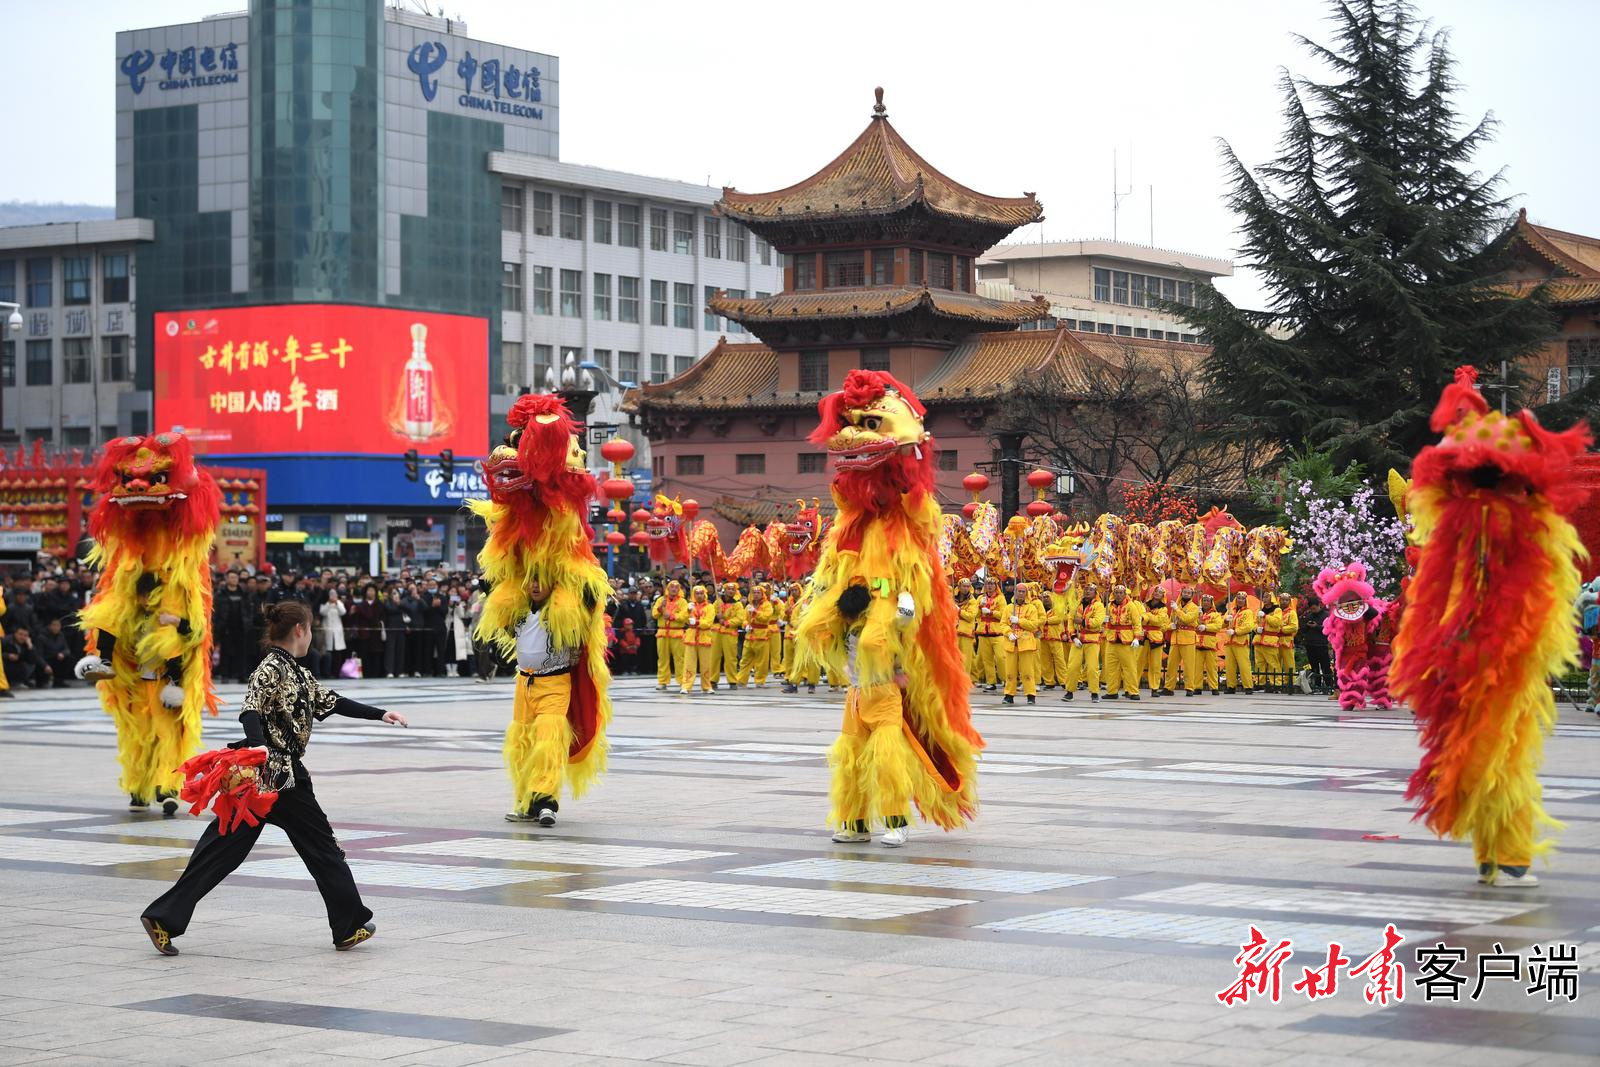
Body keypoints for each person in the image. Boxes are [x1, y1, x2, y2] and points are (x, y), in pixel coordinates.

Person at [139, 601, 408, 956]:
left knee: (220, 850)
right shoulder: (272, 668)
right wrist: (258, 748)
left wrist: (379, 714)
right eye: (310, 629)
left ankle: (163, 917)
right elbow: (250, 709)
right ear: (300, 630)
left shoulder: (295, 671)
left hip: (263, 778)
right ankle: (348, 924)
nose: (311, 636)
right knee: (322, 848)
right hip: (280, 777)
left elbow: (331, 700)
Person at [471, 394, 614, 826]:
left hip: (555, 681)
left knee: (550, 735)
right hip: (525, 682)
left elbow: (587, 601)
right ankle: (526, 798)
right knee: (521, 737)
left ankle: (546, 799)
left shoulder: (567, 602)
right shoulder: (516, 602)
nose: (534, 584)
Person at [1000, 582, 1044, 704]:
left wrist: (1019, 621)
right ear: (1014, 592)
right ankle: (1009, 694)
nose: (1020, 593)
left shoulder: (1032, 608)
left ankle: (1030, 694)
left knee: (1027, 671)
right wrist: (1008, 633)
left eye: (1023, 591)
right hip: (1011, 643)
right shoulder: (1008, 608)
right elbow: (1003, 624)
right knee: (1010, 671)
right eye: (1018, 591)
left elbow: (1033, 624)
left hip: (1026, 643)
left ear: (1026, 594)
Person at [1062, 584, 1105, 702]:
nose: (1088, 592)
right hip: (1078, 639)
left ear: (1095, 592)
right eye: (1086, 589)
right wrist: (1074, 636)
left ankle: (1094, 692)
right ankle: (1069, 691)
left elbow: (1097, 621)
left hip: (1092, 640)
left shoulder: (1099, 606)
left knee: (1092, 668)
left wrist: (1083, 622)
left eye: (1091, 590)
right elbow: (1071, 620)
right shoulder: (1076, 605)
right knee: (1072, 667)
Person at [212, 571, 254, 683]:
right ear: (227, 579)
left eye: (235, 577)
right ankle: (224, 675)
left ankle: (242, 675)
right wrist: (217, 625)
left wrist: (248, 623)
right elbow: (215, 611)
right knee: (225, 653)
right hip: (225, 627)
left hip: (241, 627)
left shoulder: (243, 593)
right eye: (231, 577)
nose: (234, 579)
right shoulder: (220, 594)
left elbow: (249, 610)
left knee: (242, 652)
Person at [1164, 586, 1200, 696]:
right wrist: (1171, 626)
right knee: (1171, 665)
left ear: (1192, 595)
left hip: (1188, 638)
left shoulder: (1194, 608)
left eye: (1189, 593)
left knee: (1189, 665)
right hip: (1176, 637)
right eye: (1185, 592)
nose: (1186, 594)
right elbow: (1169, 622)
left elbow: (1187, 619)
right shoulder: (1177, 606)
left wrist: (1176, 610)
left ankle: (1189, 688)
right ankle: (1168, 688)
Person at [682, 585, 718, 694]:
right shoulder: (690, 606)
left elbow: (708, 622)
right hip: (691, 636)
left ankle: (706, 686)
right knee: (689, 663)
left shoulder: (710, 607)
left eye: (701, 593)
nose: (699, 595)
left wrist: (697, 622)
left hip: (704, 636)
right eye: (697, 593)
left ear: (705, 594)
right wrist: (687, 611)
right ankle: (686, 686)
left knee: (706, 663)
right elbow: (683, 619)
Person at [652, 580, 687, 691]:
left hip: (677, 632)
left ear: (679, 589)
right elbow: (654, 615)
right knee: (662, 658)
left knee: (679, 658)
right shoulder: (661, 600)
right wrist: (660, 608)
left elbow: (684, 616)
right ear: (667, 588)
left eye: (676, 587)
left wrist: (671, 616)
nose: (673, 589)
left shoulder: (683, 602)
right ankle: (662, 681)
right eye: (671, 587)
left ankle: (682, 681)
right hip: (662, 632)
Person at [737, 584, 776, 687]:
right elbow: (744, 618)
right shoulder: (749, 605)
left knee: (761, 661)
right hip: (749, 636)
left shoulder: (767, 605)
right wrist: (745, 625)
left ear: (762, 594)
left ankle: (759, 680)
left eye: (758, 593)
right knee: (745, 659)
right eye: (754, 592)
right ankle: (741, 680)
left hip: (762, 636)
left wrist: (756, 612)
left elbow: (766, 617)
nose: (756, 595)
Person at [974, 577, 1006, 692]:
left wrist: (991, 612)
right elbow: (975, 615)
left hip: (997, 633)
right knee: (987, 660)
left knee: (1001, 657)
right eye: (987, 584)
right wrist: (979, 606)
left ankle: (1006, 679)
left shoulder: (1001, 598)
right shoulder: (980, 598)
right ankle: (990, 682)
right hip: (983, 633)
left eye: (992, 584)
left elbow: (1003, 614)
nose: (989, 586)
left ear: (996, 586)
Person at [1223, 591, 1257, 694]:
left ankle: (1248, 687)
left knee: (1244, 665)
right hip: (1229, 641)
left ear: (1245, 600)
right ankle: (1231, 686)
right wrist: (1225, 620)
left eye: (1242, 598)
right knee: (1229, 666)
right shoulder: (1230, 611)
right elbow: (1221, 624)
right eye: (1238, 598)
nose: (1240, 600)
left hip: (1240, 641)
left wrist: (1236, 631)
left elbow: (1248, 627)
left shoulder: (1248, 612)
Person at [714, 582, 746, 689]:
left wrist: (727, 622)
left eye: (733, 590)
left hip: (730, 633)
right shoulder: (717, 602)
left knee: (731, 658)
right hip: (716, 633)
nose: (731, 591)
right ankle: (713, 680)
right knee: (714, 657)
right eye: (729, 589)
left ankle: (732, 681)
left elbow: (740, 619)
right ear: (725, 590)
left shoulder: (738, 604)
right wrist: (717, 617)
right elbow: (710, 614)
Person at [1300, 598, 1333, 692]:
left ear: (1319, 606)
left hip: (1322, 644)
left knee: (1325, 666)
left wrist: (1317, 627)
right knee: (1314, 666)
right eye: (1311, 609)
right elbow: (1303, 630)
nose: (1313, 611)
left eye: (1315, 608)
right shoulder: (1309, 616)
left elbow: (1328, 630)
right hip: (1310, 644)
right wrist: (1307, 625)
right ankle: (1317, 685)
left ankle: (1329, 685)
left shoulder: (1326, 615)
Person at [1142, 588, 1171, 695]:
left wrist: (1148, 616)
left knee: (1155, 665)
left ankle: (1154, 688)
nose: (1157, 594)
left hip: (1156, 638)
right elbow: (1139, 618)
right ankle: (1131, 688)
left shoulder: (1163, 609)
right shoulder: (1144, 605)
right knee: (1138, 663)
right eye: (1156, 592)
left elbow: (1159, 621)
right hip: (1143, 636)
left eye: (1160, 593)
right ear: (1152, 593)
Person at [1196, 593, 1224, 695]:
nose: (1206, 603)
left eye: (1208, 601)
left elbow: (1218, 626)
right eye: (1204, 601)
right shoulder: (1197, 613)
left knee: (1212, 668)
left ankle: (1214, 687)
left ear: (1211, 603)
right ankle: (1197, 687)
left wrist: (1206, 627)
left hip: (1210, 644)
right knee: (1197, 668)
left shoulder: (1215, 615)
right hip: (1197, 643)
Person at [319, 589, 348, 678]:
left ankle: (337, 673)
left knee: (338, 653)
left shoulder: (339, 603)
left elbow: (343, 612)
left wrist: (336, 603)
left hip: (337, 631)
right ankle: (328, 672)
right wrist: (329, 603)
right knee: (328, 652)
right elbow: (322, 612)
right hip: (328, 631)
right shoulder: (324, 603)